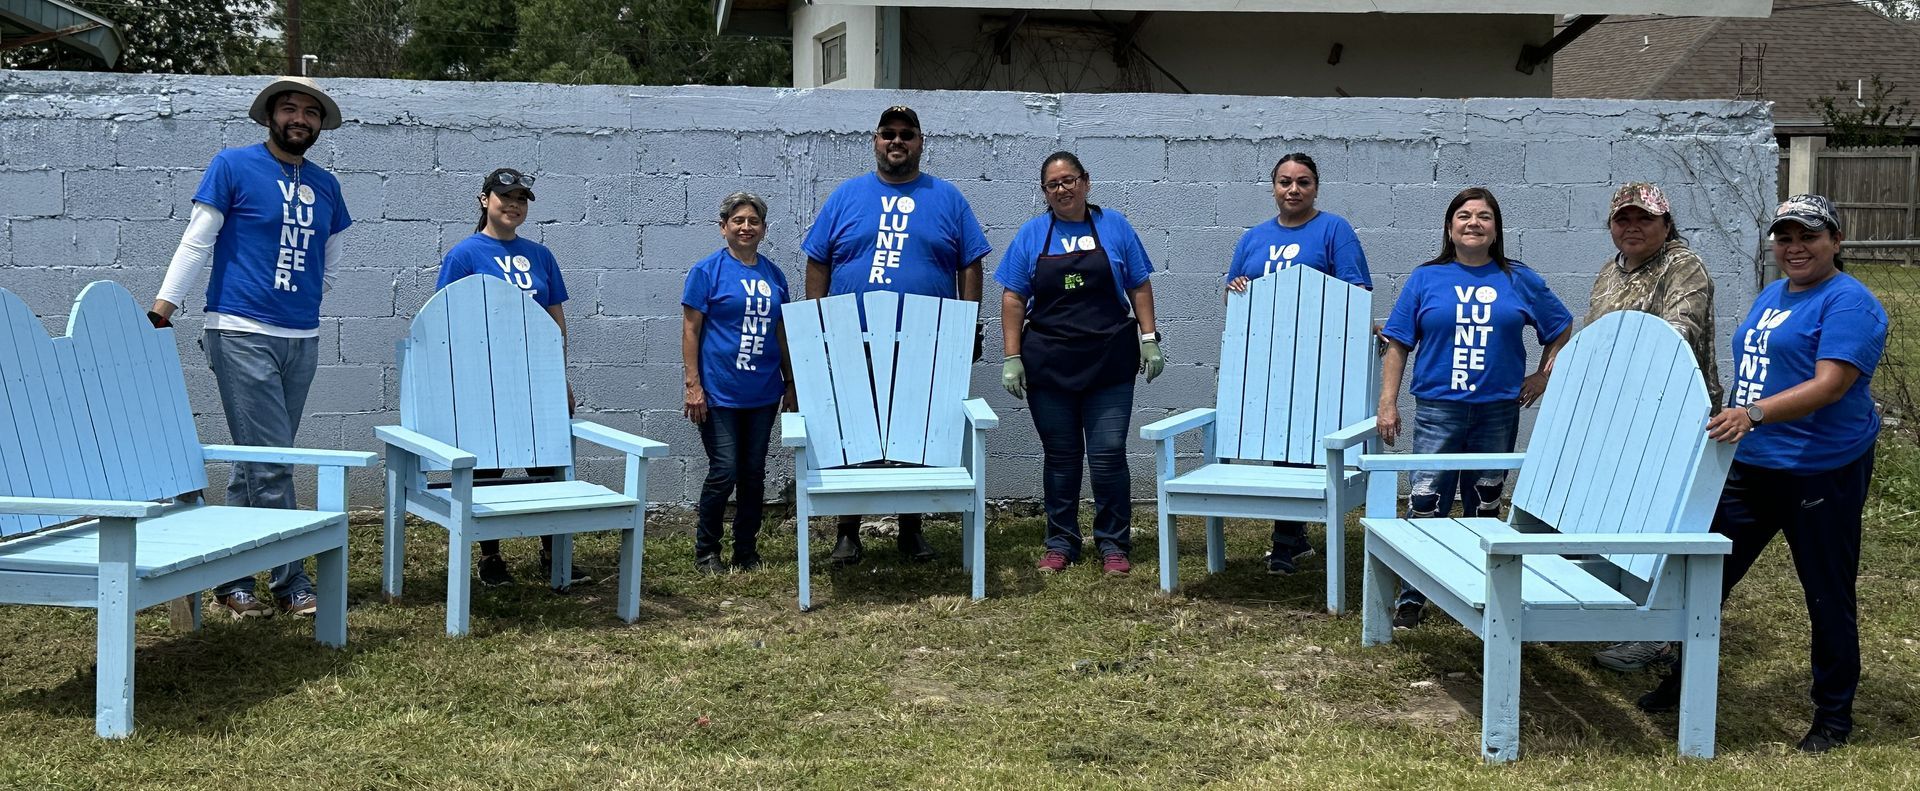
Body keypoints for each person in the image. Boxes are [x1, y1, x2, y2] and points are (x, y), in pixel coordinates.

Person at [1637, 195, 1885, 755]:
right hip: (1750, 465)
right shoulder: (1774, 293)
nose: (1795, 248)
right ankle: (1684, 681)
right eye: (1785, 238)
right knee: (1704, 580)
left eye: (1809, 238)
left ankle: (1832, 717)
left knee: (1826, 593)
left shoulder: (1850, 304)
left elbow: (1830, 385)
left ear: (1836, 243)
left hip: (1819, 470)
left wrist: (1752, 414)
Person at [150, 77, 353, 619]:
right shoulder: (233, 165)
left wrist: (302, 299)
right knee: (273, 463)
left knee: (252, 463)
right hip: (239, 330)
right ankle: (292, 583)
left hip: (300, 338)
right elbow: (198, 239)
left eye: (311, 112)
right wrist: (164, 306)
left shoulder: (327, 186)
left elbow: (329, 262)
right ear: (270, 115)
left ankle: (231, 579)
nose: (300, 118)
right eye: (290, 108)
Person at [800, 105, 991, 566]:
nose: (897, 141)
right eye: (889, 133)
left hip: (925, 343)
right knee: (849, 436)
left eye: (907, 134)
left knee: (917, 435)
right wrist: (819, 325)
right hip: (854, 339)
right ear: (875, 140)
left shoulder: (947, 198)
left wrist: (965, 324)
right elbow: (818, 261)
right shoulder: (846, 197)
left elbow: (971, 261)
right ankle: (848, 534)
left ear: (921, 141)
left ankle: (911, 530)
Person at [1377, 187, 1572, 630]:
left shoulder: (1518, 278)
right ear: (1449, 228)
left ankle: (1480, 586)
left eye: (1485, 216)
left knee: (1484, 501)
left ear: (1496, 230)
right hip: (1437, 409)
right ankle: (1413, 594)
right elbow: (1398, 344)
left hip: (1497, 411)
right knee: (1427, 500)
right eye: (1464, 215)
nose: (1473, 223)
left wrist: (1543, 374)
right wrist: (1387, 404)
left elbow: (1560, 328)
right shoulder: (1426, 278)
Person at [998, 151, 1161, 575]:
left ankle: (1113, 545)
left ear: (1086, 182)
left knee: (1108, 455)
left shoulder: (1115, 227)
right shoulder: (1032, 235)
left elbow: (1139, 284)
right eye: (1053, 184)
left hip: (1109, 360)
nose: (1062, 189)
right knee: (1061, 456)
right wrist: (1012, 356)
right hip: (1049, 363)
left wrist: (1148, 338)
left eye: (1069, 180)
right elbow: (1014, 297)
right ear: (1044, 192)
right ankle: (1061, 543)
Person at [1584, 181, 1723, 673]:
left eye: (1645, 218)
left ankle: (1658, 637)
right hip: (1620, 422)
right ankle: (1623, 616)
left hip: (1675, 421)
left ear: (1666, 224)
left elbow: (1674, 336)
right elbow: (1595, 341)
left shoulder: (1683, 265)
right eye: (1623, 219)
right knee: (1621, 521)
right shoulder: (1608, 273)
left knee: (1664, 528)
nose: (1633, 226)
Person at [432, 167, 588, 590]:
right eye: (505, 197)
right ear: (485, 200)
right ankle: (490, 555)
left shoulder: (541, 255)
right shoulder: (464, 255)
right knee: (488, 468)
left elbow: (556, 320)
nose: (513, 205)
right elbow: (449, 318)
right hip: (484, 382)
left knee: (547, 465)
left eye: (521, 199)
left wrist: (559, 376)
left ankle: (553, 551)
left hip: (535, 382)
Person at [1224, 152, 1373, 575]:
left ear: (1315, 188)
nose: (1293, 190)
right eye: (1285, 182)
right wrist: (1236, 287)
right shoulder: (1253, 237)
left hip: (1318, 358)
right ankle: (1298, 538)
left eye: (1303, 182)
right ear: (1273, 186)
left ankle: (1284, 545)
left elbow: (1355, 288)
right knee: (1281, 445)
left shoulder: (1334, 230)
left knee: (1301, 448)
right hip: (1267, 359)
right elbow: (1232, 296)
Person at [682, 192, 793, 575]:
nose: (746, 227)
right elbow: (691, 330)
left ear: (763, 229)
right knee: (724, 469)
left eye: (754, 221)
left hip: (762, 394)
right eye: (738, 220)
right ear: (724, 227)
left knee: (753, 472)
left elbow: (782, 331)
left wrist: (790, 382)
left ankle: (746, 550)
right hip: (719, 394)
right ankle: (706, 550)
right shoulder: (706, 271)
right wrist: (693, 385)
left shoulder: (774, 275)